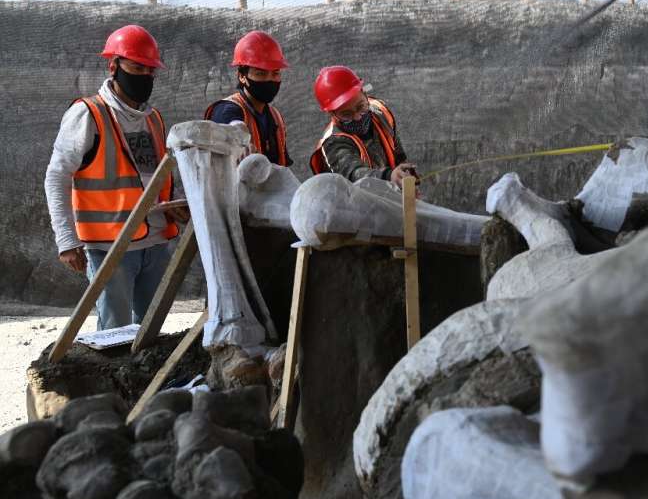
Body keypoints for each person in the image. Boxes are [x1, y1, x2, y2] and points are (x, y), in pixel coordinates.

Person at [44, 24, 187, 330]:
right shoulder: (88, 114)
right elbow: (57, 176)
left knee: (150, 332)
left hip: (156, 242)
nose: (145, 76)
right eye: (137, 67)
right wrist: (66, 240)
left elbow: (151, 179)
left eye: (150, 70)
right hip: (110, 247)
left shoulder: (153, 118)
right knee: (114, 335)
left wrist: (174, 205)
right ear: (114, 66)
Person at [310, 65, 417, 186]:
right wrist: (388, 176)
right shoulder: (333, 143)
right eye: (347, 114)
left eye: (360, 107)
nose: (357, 117)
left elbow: (398, 153)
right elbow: (355, 174)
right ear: (332, 113)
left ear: (365, 94)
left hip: (391, 195)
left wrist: (406, 177)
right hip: (357, 203)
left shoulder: (380, 113)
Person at [205, 30, 292, 167]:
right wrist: (237, 136)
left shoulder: (276, 117)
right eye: (260, 74)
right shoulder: (227, 110)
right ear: (242, 76)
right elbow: (230, 128)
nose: (269, 80)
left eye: (275, 73)